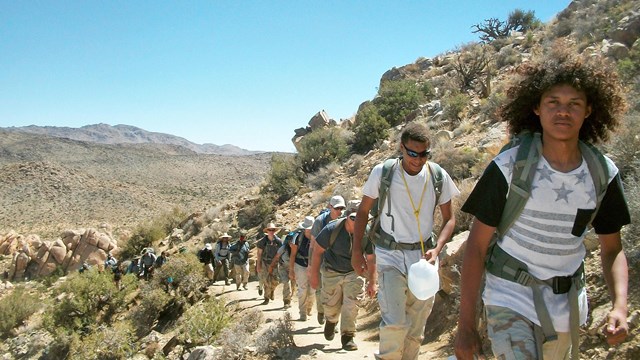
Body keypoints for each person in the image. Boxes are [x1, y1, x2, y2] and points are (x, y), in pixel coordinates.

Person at [454, 46, 630, 360]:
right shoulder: (509, 167)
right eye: (553, 102)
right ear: (536, 108)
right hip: (509, 296)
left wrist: (619, 305)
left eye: (574, 104)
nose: (563, 112)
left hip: (568, 307)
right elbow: (476, 247)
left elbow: (612, 248)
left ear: (589, 110)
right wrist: (465, 326)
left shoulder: (602, 173)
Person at [351, 122, 460, 360]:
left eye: (424, 154)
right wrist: (356, 250)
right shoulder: (383, 172)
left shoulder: (437, 176)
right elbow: (362, 212)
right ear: (402, 148)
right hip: (389, 256)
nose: (418, 159)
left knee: (416, 328)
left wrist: (438, 247)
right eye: (412, 153)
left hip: (422, 260)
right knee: (394, 323)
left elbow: (449, 219)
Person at [309, 200, 376, 351]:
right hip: (332, 271)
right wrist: (314, 275)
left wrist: (372, 281)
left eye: (362, 218)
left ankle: (348, 337)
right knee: (331, 306)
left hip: (354, 272)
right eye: (354, 218)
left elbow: (371, 258)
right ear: (347, 217)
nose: (358, 221)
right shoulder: (332, 229)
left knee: (351, 304)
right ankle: (331, 321)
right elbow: (318, 251)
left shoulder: (367, 232)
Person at [310, 194, 346, 324]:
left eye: (342, 208)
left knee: (337, 293)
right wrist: (311, 266)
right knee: (320, 289)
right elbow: (313, 245)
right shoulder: (320, 221)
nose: (339, 211)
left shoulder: (345, 220)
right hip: (321, 259)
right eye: (337, 208)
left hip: (336, 261)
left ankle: (333, 320)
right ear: (330, 207)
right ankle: (321, 310)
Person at [289, 216, 315, 321]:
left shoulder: (318, 236)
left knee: (313, 289)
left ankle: (309, 307)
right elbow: (293, 254)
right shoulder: (297, 237)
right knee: (302, 289)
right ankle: (302, 312)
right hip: (300, 264)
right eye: (307, 228)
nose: (309, 230)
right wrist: (291, 270)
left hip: (313, 265)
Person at [256, 222, 283, 305]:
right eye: (269, 230)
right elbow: (259, 253)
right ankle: (266, 298)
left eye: (272, 230)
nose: (271, 231)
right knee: (266, 280)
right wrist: (258, 265)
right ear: (267, 231)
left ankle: (272, 290)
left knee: (276, 280)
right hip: (265, 262)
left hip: (275, 263)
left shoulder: (278, 241)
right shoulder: (263, 241)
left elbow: (281, 252)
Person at [269, 229, 296, 309]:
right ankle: (286, 301)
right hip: (283, 267)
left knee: (293, 285)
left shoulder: (297, 248)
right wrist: (271, 266)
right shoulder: (283, 248)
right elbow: (276, 257)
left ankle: (289, 298)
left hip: (293, 268)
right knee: (286, 283)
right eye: (290, 240)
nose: (291, 242)